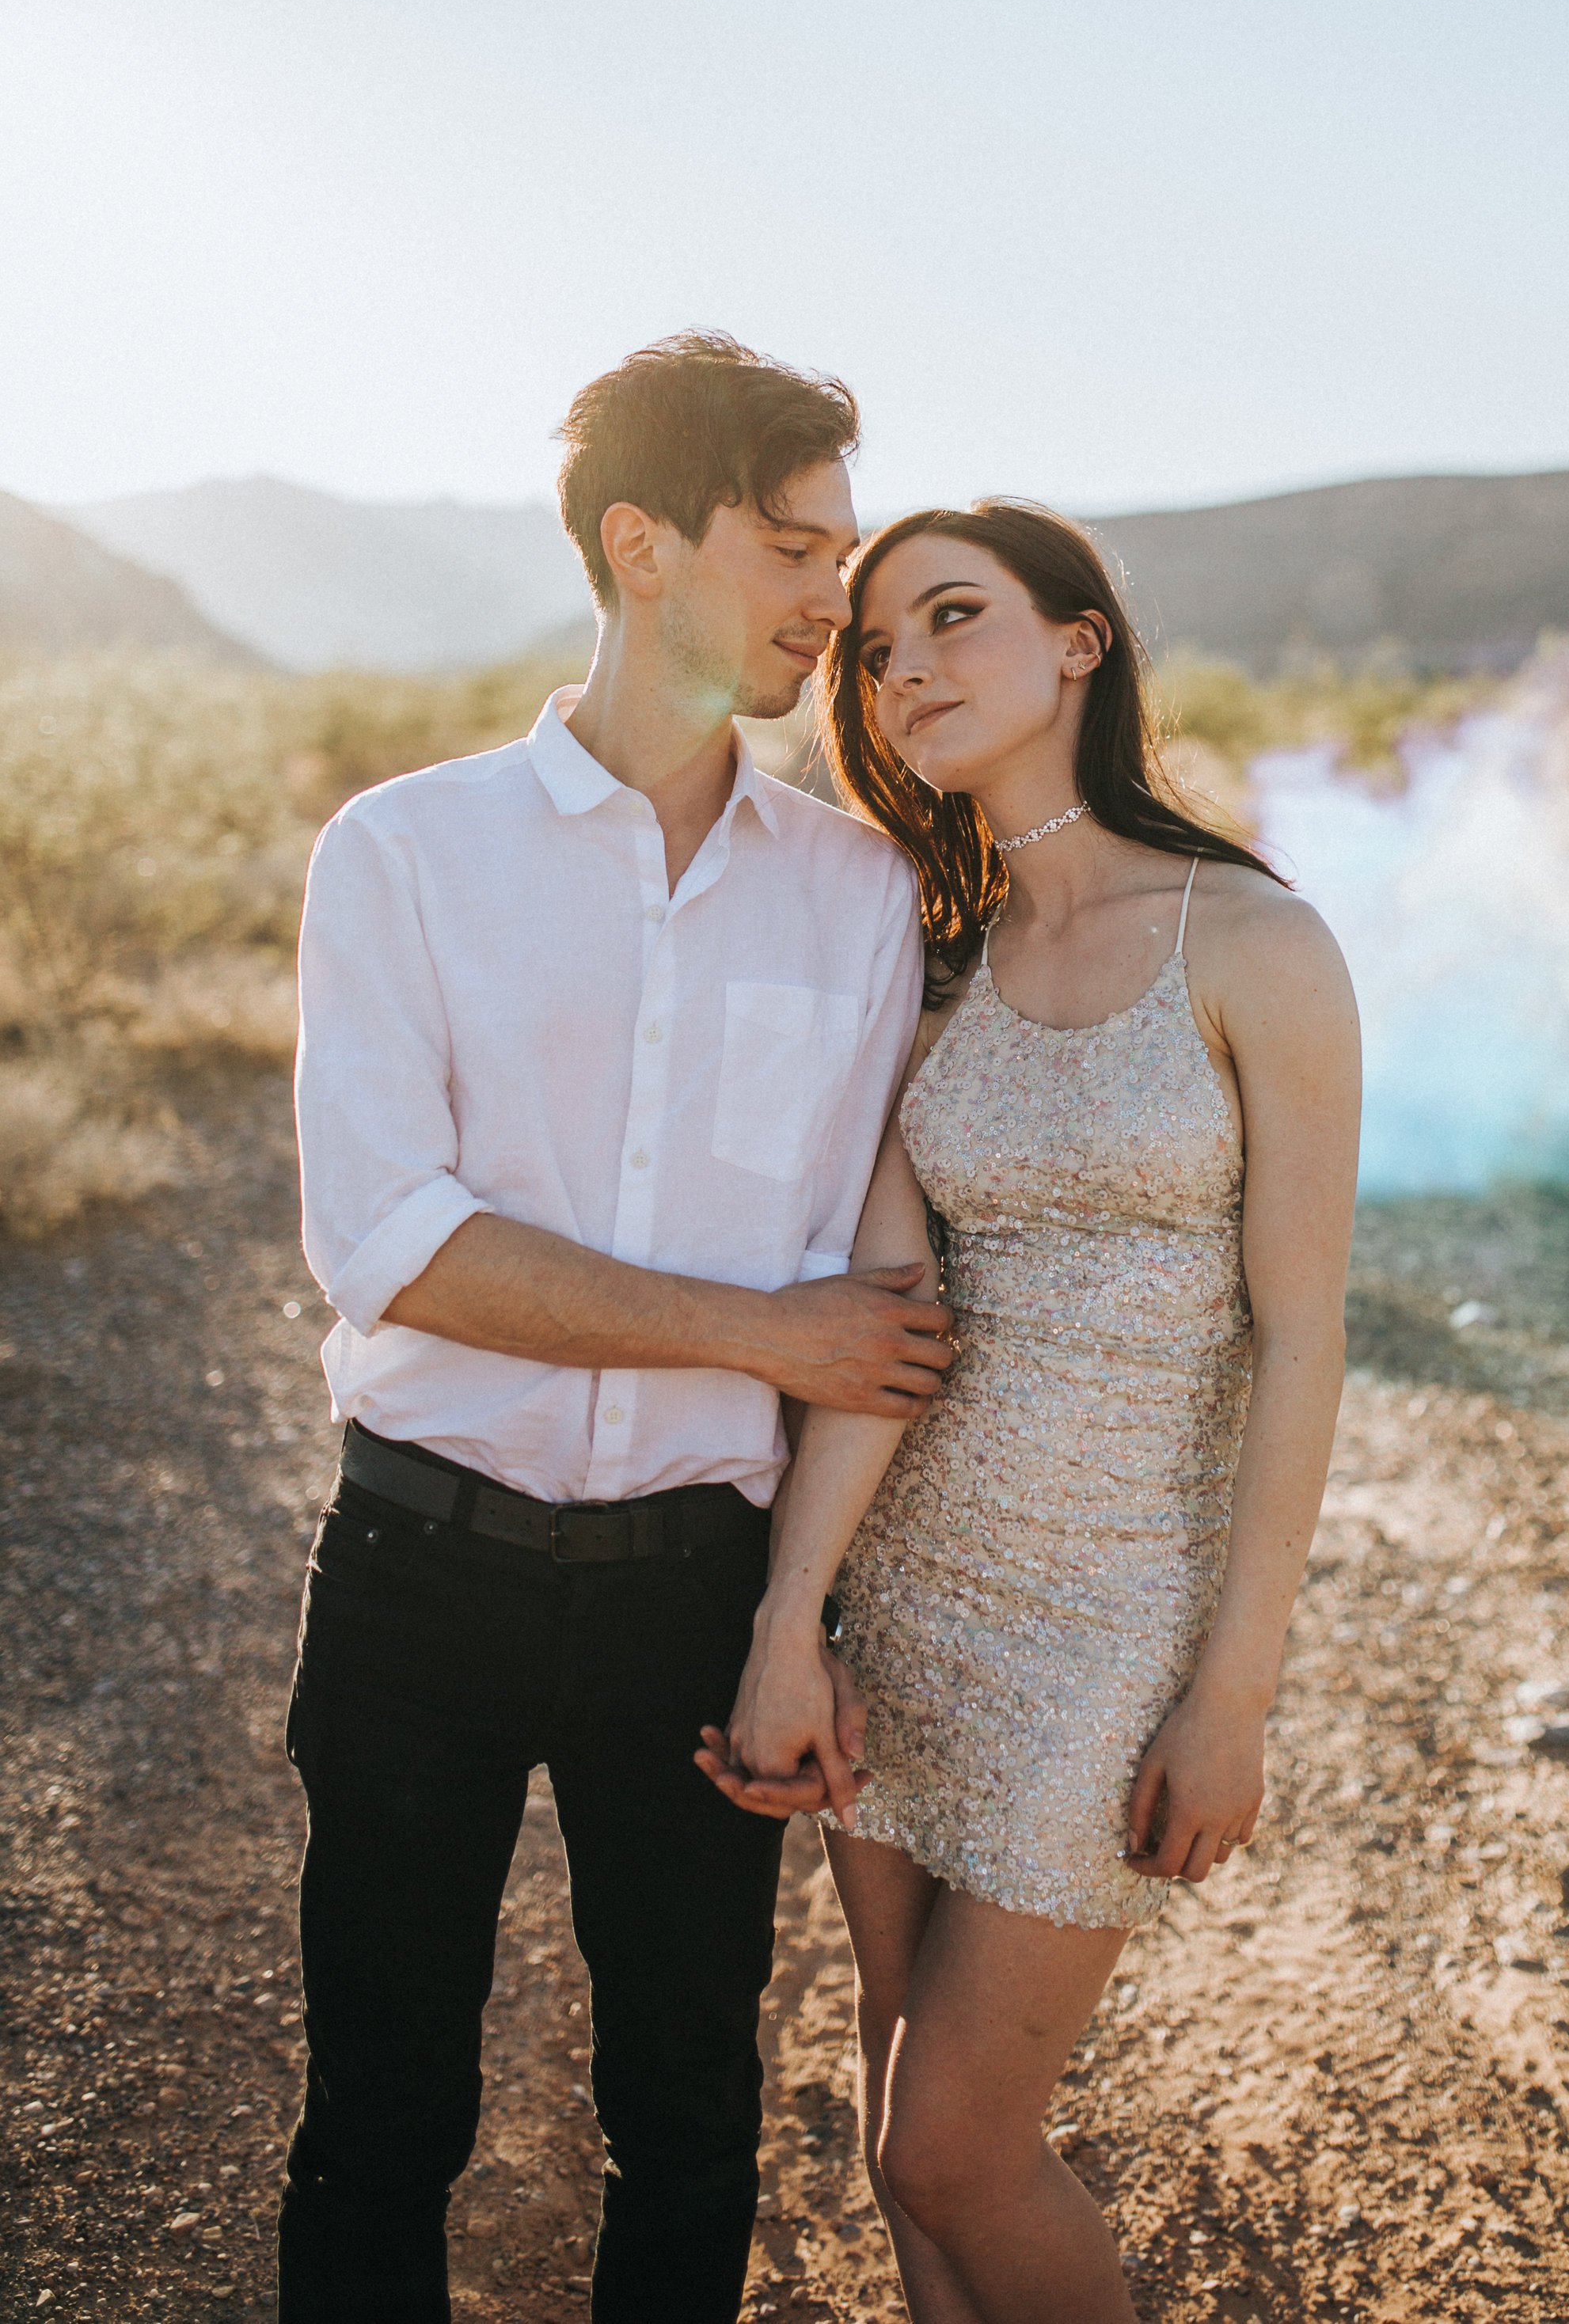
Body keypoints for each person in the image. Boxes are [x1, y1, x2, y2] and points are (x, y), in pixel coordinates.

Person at [279, 335, 953, 2324]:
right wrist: (765, 1329)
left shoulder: (857, 895)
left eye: (845, 548)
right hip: (420, 1564)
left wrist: (786, 1621)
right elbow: (399, 1245)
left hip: (694, 1590)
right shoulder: (402, 854)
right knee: (383, 2113)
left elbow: (877, 1303)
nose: (835, 596)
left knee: (690, 2119)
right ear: (641, 544)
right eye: (795, 544)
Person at [697, 501, 1361, 2323]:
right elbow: (888, 1323)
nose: (904, 666)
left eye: (951, 618)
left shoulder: (1251, 944)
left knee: (952, 2147)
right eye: (875, 646)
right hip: (906, 1594)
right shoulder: (924, 970)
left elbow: (1300, 1340)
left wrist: (1231, 1695)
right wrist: (791, 1619)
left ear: (1078, 643)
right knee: (894, 2122)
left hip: (1106, 1626)